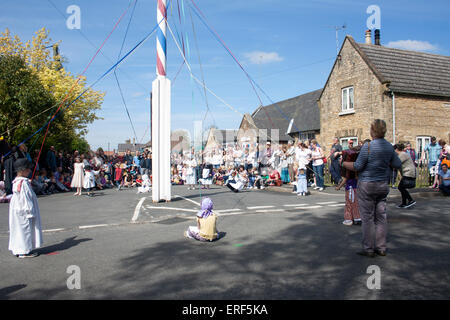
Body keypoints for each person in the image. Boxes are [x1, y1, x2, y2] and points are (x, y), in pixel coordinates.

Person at [343, 119, 402, 257]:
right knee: (381, 217)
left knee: (368, 218)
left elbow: (358, 166)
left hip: (367, 184)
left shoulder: (368, 147)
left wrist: (345, 164)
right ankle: (381, 247)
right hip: (382, 184)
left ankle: (368, 248)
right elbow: (397, 163)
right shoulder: (388, 146)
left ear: (372, 131)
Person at [8, 158, 43, 258]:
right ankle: (24, 250)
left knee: (18, 229)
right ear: (22, 170)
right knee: (25, 229)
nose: (29, 171)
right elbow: (25, 198)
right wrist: (29, 211)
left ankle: (18, 249)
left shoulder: (17, 182)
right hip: (23, 211)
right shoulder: (23, 183)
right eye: (28, 169)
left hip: (18, 209)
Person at [336, 145, 362, 226]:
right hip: (356, 188)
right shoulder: (356, 167)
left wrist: (338, 187)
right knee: (356, 204)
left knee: (348, 204)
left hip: (349, 189)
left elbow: (345, 179)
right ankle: (357, 218)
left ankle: (348, 219)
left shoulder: (348, 168)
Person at [395, 143, 417, 208]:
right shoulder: (401, 155)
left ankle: (411, 200)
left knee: (400, 187)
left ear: (396, 149)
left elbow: (396, 163)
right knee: (402, 187)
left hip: (409, 173)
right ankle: (404, 203)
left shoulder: (402, 154)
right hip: (406, 173)